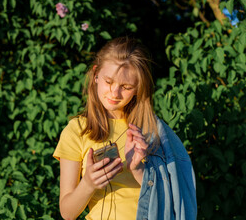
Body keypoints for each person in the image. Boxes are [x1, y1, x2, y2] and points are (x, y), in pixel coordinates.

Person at [53, 37, 197, 220]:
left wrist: (137, 169)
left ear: (138, 88)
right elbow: (67, 213)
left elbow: (173, 201)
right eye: (109, 82)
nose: (114, 93)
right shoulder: (77, 130)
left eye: (126, 87)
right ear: (96, 74)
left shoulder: (152, 131)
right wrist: (88, 183)